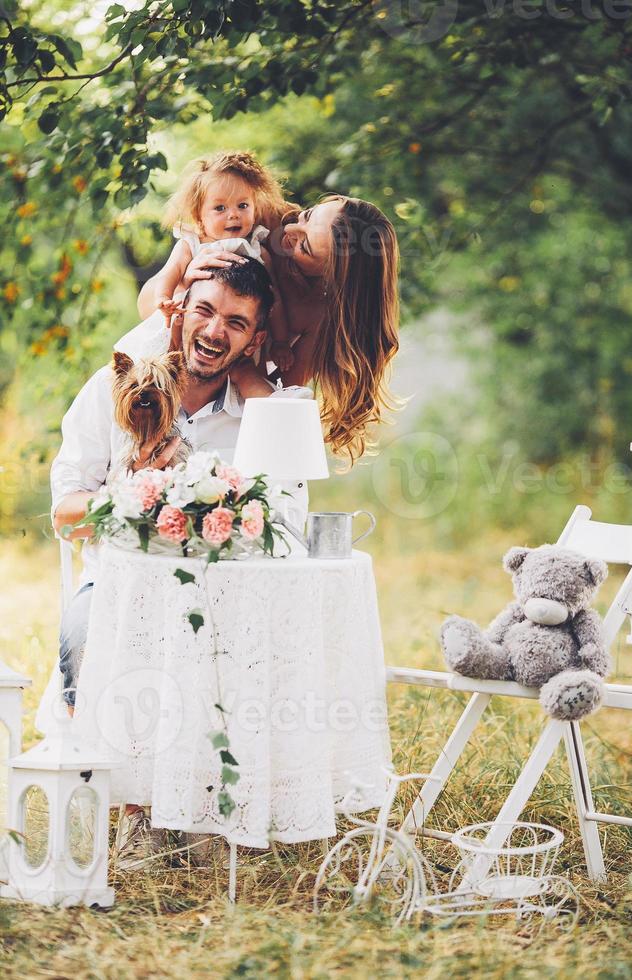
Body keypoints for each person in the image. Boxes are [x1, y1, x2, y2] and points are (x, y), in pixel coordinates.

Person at [49, 259, 311, 867]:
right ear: (179, 311)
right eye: (205, 310)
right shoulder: (109, 388)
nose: (216, 330)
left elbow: (288, 516)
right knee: (86, 633)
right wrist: (134, 489)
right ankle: (137, 814)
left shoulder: (259, 411)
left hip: (229, 591)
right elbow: (65, 513)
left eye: (236, 323)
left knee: (260, 646)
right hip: (117, 579)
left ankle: (222, 810)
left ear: (254, 339)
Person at [137, 192, 401, 465]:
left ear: (332, 277)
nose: (289, 230)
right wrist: (185, 278)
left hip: (232, 394)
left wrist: (243, 369)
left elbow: (279, 402)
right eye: (307, 215)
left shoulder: (320, 316)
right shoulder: (251, 224)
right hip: (179, 364)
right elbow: (146, 305)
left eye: (305, 247)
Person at [116, 150, 295, 370]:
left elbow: (274, 301)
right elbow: (169, 274)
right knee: (167, 358)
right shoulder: (191, 245)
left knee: (248, 375)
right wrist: (164, 299)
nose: (233, 214)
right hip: (189, 335)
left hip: (236, 343)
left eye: (243, 205)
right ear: (200, 216)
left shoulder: (258, 250)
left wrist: (280, 341)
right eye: (220, 208)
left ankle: (265, 402)